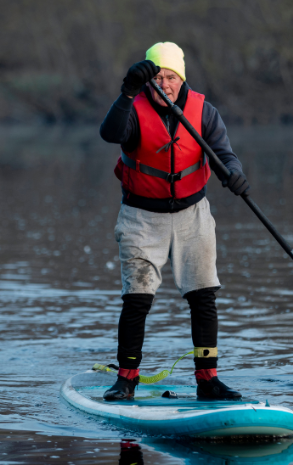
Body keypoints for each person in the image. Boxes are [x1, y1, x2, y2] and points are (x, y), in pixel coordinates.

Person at [99, 42, 250, 401]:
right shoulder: (133, 109)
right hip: (141, 216)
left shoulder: (204, 112)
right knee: (137, 300)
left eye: (171, 77)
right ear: (148, 80)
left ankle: (208, 380)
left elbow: (223, 154)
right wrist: (126, 93)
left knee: (203, 297)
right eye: (158, 77)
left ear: (182, 79)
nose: (164, 84)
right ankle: (126, 379)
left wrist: (235, 173)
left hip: (191, 214)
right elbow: (110, 133)